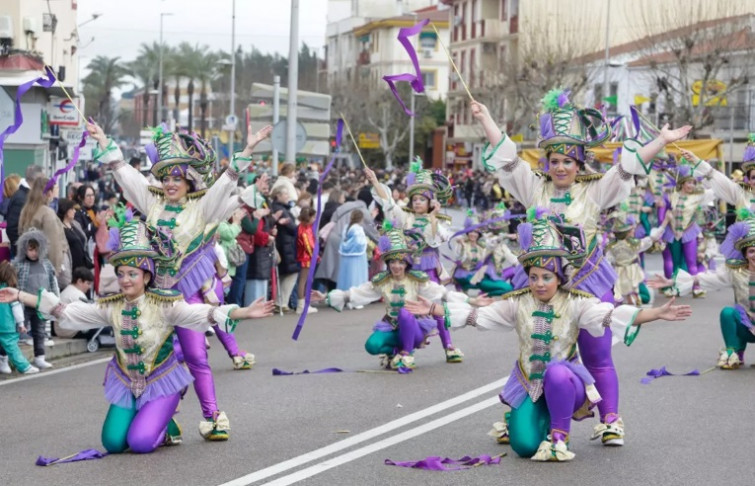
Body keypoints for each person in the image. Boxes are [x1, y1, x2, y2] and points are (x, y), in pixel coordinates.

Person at [470, 89, 692, 445]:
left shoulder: (594, 191)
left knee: (597, 354)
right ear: (547, 161)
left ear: (579, 163)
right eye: (554, 160)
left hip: (588, 279)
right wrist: (485, 119)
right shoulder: (534, 188)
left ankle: (610, 420)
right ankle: (524, 410)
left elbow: (627, 168)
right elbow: (508, 159)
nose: (560, 167)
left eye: (568, 161)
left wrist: (660, 141)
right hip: (542, 282)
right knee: (538, 346)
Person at [405, 216, 691, 461]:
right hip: (530, 382)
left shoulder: (577, 303)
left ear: (558, 278)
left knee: (555, 371)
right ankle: (538, 424)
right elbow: (478, 316)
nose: (539, 283)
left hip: (567, 382)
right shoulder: (518, 303)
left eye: (546, 277)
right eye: (534, 277)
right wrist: (433, 308)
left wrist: (655, 313)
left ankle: (559, 437)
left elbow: (612, 316)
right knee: (524, 446)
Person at [0, 219, 273, 454]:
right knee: (113, 443)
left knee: (140, 443)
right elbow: (69, 312)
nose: (126, 280)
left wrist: (244, 312)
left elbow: (203, 314)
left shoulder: (165, 305)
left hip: (163, 382)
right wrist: (20, 295)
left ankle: (162, 424)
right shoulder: (113, 305)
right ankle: (157, 420)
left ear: (146, 276)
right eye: (121, 274)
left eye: (132, 274)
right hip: (127, 382)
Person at [86, 119, 272, 441]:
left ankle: (212, 417)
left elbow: (225, 182)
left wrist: (248, 149)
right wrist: (105, 141)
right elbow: (127, 176)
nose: (171, 183)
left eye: (178, 177)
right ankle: (161, 419)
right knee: (148, 360)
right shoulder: (153, 203)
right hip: (151, 299)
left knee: (196, 357)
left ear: (188, 181)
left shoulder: (200, 209)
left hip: (184, 298)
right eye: (166, 177)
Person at [312, 227, 489, 370]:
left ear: (407, 264)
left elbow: (442, 293)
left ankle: (407, 353)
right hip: (391, 325)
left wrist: (471, 301)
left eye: (401, 262)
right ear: (388, 264)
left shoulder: (417, 281)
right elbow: (356, 293)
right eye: (393, 262)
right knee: (372, 346)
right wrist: (325, 297)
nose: (397, 266)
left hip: (415, 328)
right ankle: (394, 350)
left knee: (406, 311)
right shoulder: (382, 281)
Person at [365, 158, 464, 363]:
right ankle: (400, 348)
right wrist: (375, 181)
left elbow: (439, 237)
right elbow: (389, 204)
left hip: (428, 270)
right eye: (415, 199)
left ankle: (448, 346)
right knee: (401, 306)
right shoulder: (405, 218)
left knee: (435, 308)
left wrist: (435, 218)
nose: (418, 202)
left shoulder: (436, 220)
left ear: (430, 202)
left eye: (422, 199)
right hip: (407, 269)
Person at [649, 211, 755, 369]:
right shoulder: (735, 271)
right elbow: (707, 277)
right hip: (747, 324)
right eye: (752, 251)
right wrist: (671, 281)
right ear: (745, 254)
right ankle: (734, 353)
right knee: (728, 313)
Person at [659, 162, 714, 297]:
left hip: (689, 232)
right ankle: (674, 287)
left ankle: (696, 288)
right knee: (675, 262)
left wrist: (710, 173)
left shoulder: (698, 196)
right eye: (689, 182)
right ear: (682, 183)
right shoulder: (671, 195)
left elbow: (713, 189)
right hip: (672, 233)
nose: (691, 186)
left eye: (694, 183)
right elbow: (663, 212)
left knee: (691, 262)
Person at [12, 228, 59, 369]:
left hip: (41, 304)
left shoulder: (46, 264)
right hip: (22, 304)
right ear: (24, 249)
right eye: (30, 249)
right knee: (16, 331)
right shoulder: (19, 265)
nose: (34, 253)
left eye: (37, 249)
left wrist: (55, 300)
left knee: (40, 332)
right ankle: (5, 357)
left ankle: (40, 357)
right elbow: (13, 282)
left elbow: (52, 283)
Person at [18, 177, 72, 289]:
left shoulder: (25, 211)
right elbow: (53, 244)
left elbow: (20, 236)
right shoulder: (47, 213)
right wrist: (55, 270)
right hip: (48, 265)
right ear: (49, 192)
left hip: (31, 264)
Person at [450, 210, 515, 297]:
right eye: (471, 231)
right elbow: (460, 257)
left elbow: (492, 243)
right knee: (506, 288)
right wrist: (461, 243)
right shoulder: (462, 244)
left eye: (476, 232)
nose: (473, 234)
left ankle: (474, 290)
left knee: (506, 286)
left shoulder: (481, 246)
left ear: (479, 234)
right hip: (466, 276)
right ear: (467, 232)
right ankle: (473, 290)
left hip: (479, 275)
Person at [0, 261, 39, 375]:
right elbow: (17, 309)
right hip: (7, 326)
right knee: (12, 348)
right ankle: (24, 367)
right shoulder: (10, 292)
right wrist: (21, 324)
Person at [270, 186, 299, 313]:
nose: (288, 197)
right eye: (285, 194)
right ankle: (282, 302)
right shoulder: (280, 209)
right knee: (291, 273)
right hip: (285, 244)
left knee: (285, 274)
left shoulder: (279, 208)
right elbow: (292, 228)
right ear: (278, 195)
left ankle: (280, 301)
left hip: (284, 243)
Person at [5, 165, 44, 258]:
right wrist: (25, 251)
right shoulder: (22, 198)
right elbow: (12, 228)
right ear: (36, 180)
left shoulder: (26, 196)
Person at [336, 209, 369, 299]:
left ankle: (343, 296)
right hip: (357, 257)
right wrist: (366, 241)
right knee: (356, 277)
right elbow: (359, 242)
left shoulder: (347, 227)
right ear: (361, 219)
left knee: (346, 276)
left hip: (346, 256)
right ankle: (355, 297)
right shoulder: (358, 229)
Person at [54, 266, 94, 339]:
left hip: (60, 330)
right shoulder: (78, 295)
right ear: (79, 281)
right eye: (88, 283)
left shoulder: (67, 290)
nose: (89, 287)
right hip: (71, 332)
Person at [58, 198, 93, 274]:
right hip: (72, 268)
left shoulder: (75, 224)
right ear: (66, 210)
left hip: (84, 266)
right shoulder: (60, 229)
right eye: (72, 209)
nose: (74, 211)